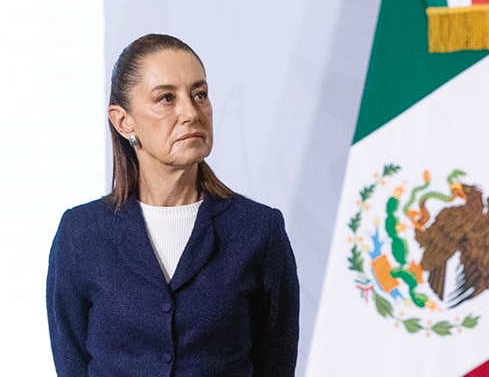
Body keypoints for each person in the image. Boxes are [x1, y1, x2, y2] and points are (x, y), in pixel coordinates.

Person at [46, 34, 300, 376]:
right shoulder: (82, 233)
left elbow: (276, 362)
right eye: (166, 98)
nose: (191, 113)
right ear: (124, 121)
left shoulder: (258, 229)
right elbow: (71, 362)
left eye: (200, 95)